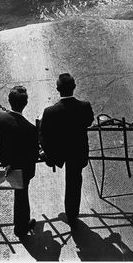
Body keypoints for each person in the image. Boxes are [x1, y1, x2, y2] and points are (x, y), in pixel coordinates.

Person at [40, 73, 94, 225]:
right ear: (74, 87)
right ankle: (72, 214)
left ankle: (70, 214)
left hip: (59, 152)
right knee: (74, 182)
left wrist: (48, 151)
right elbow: (89, 122)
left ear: (57, 89)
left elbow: (43, 134)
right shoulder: (85, 106)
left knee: (72, 181)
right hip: (78, 151)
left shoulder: (50, 112)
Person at [0, 86, 39, 238]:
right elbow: (33, 155)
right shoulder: (30, 129)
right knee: (21, 197)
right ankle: (21, 227)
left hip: (5, 159)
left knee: (20, 195)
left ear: (9, 101)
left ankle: (21, 224)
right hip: (21, 167)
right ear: (25, 104)